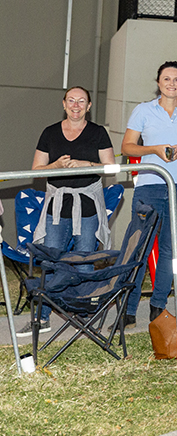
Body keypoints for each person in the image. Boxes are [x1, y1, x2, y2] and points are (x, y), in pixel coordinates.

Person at [20, 87, 116, 337]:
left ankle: (82, 317)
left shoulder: (98, 132)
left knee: (84, 263)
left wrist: (88, 165)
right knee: (50, 263)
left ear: (89, 105)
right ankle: (42, 317)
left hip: (88, 208)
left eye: (81, 101)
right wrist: (56, 166)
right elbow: (36, 169)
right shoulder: (50, 132)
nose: (76, 105)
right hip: (56, 209)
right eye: (71, 100)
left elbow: (110, 167)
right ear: (64, 104)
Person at [120, 62, 177, 326]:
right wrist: (155, 149)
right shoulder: (143, 110)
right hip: (150, 186)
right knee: (140, 246)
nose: (172, 83)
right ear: (158, 82)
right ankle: (129, 308)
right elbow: (127, 147)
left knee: (171, 250)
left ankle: (158, 306)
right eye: (167, 79)